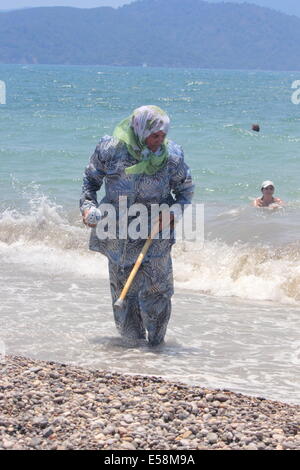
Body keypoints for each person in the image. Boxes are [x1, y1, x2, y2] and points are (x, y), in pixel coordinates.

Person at [80, 105, 194, 346]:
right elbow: (90, 183)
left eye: (163, 135)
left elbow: (185, 191)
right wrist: (88, 208)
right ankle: (131, 354)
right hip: (117, 233)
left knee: (157, 292)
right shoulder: (110, 149)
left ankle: (156, 348)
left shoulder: (172, 156)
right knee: (123, 294)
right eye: (155, 135)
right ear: (140, 129)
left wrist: (173, 212)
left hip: (156, 232)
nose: (159, 140)